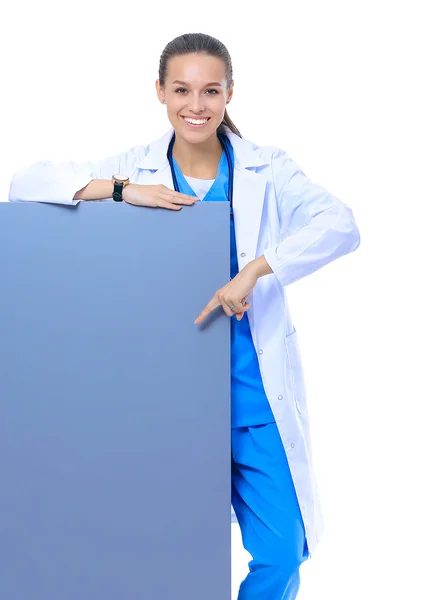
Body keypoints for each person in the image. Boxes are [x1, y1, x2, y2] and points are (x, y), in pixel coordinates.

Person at [9, 32, 361, 600]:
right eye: (181, 90)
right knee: (164, 555)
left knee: (281, 550)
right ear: (160, 92)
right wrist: (125, 191)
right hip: (167, 401)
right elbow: (25, 184)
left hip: (253, 394)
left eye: (210, 91)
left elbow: (341, 225)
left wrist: (257, 269)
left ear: (228, 95)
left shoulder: (266, 168)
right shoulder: (138, 166)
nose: (195, 105)